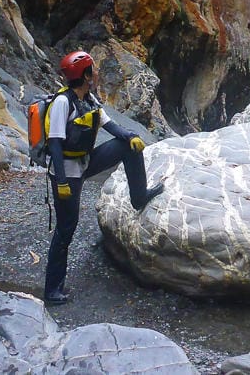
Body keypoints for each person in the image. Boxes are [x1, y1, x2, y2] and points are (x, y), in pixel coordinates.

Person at [42, 50, 164, 305]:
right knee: (66, 229)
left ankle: (139, 197)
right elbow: (54, 144)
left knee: (127, 147)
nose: (96, 73)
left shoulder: (89, 99)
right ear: (86, 75)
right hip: (66, 172)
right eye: (93, 70)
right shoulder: (63, 103)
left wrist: (130, 136)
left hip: (84, 163)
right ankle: (52, 290)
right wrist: (62, 181)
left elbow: (110, 126)